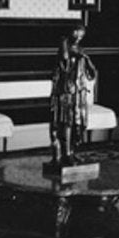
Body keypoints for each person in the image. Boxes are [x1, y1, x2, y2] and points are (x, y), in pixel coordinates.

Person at [49, 23, 96, 167]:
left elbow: (91, 74)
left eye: (81, 35)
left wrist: (86, 59)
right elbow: (63, 64)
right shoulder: (64, 49)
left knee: (76, 124)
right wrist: (64, 44)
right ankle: (65, 154)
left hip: (78, 93)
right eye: (76, 34)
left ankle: (71, 152)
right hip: (65, 93)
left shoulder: (81, 51)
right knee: (66, 124)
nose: (78, 38)